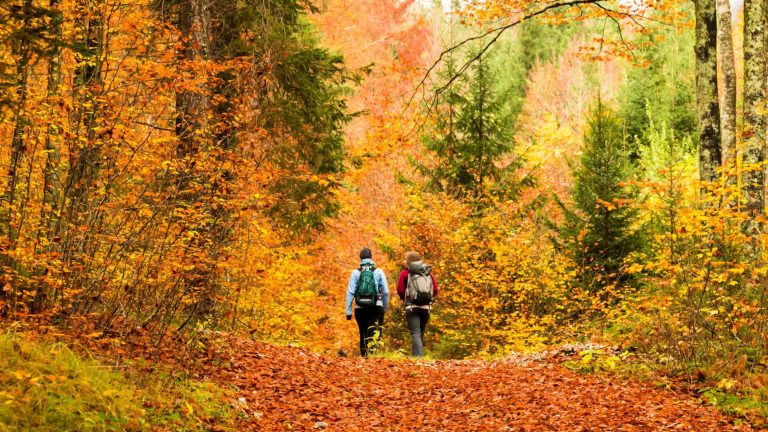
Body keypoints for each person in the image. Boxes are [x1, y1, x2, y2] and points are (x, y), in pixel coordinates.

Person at [345, 247, 389, 357]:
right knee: (374, 332)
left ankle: (365, 358)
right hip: (375, 307)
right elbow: (386, 291)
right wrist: (384, 307)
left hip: (360, 308)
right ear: (371, 257)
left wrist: (348, 311)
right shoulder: (378, 271)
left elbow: (350, 292)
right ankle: (374, 357)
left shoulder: (355, 273)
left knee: (363, 332)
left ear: (360, 258)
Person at [397, 251, 438, 357]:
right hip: (426, 307)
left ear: (408, 260)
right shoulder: (427, 272)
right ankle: (418, 356)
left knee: (415, 333)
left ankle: (417, 358)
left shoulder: (405, 273)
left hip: (412, 306)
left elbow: (400, 289)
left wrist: (405, 298)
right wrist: (427, 298)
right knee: (421, 332)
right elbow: (436, 289)